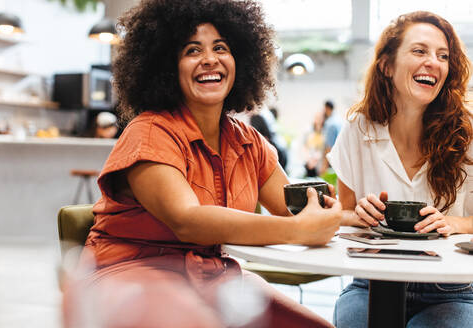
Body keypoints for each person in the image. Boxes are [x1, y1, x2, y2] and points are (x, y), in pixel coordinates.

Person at [63, 1, 342, 327]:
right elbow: (188, 220)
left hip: (212, 278)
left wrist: (355, 214)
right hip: (129, 277)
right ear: (168, 67)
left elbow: (293, 205)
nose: (210, 59)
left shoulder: (247, 141)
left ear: (240, 59)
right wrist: (298, 232)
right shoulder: (149, 131)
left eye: (221, 47)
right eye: (192, 50)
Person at [327, 11, 473, 328]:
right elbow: (342, 217)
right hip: (371, 283)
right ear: (387, 65)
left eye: (443, 56)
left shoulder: (467, 132)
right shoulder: (358, 128)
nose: (433, 62)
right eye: (419, 51)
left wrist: (452, 223)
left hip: (451, 291)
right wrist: (358, 215)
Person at [319, 100, 342, 174]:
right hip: (340, 160)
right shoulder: (339, 120)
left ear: (326, 108)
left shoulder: (330, 124)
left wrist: (324, 166)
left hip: (332, 162)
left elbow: (329, 146)